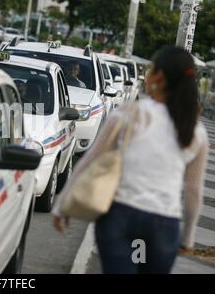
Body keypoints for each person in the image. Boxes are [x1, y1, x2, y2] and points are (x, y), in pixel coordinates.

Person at [53, 46, 209, 274]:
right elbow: (193, 190)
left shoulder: (130, 114)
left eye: (150, 69)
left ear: (159, 77)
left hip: (121, 217)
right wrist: (188, 238)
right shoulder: (196, 132)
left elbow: (90, 161)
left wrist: (62, 206)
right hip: (164, 226)